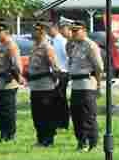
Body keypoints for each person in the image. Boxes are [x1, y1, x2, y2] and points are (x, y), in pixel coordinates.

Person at [68, 21, 104, 151]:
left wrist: (98, 85)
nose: (73, 33)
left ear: (84, 30)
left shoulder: (90, 45)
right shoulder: (75, 45)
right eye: (72, 31)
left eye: (76, 31)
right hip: (76, 85)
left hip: (87, 84)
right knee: (76, 115)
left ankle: (92, 142)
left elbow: (99, 67)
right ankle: (81, 142)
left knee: (87, 116)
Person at [28, 22, 60, 147]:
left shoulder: (47, 47)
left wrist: (56, 82)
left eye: (35, 30)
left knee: (46, 114)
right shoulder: (34, 46)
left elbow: (54, 66)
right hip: (35, 85)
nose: (32, 32)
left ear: (42, 32)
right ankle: (40, 138)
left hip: (45, 86)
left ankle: (48, 139)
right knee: (37, 114)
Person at [0, 22, 23, 142]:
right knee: (0, 111)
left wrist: (16, 76)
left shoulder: (11, 46)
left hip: (8, 83)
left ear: (6, 32)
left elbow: (17, 66)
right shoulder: (1, 46)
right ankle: (3, 134)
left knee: (8, 111)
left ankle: (10, 135)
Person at [48, 21, 71, 130]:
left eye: (50, 28)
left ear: (55, 28)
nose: (48, 31)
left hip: (62, 73)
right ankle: (56, 121)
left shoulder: (62, 41)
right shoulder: (52, 41)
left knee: (61, 98)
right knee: (55, 99)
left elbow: (67, 57)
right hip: (54, 73)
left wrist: (63, 70)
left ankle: (63, 123)